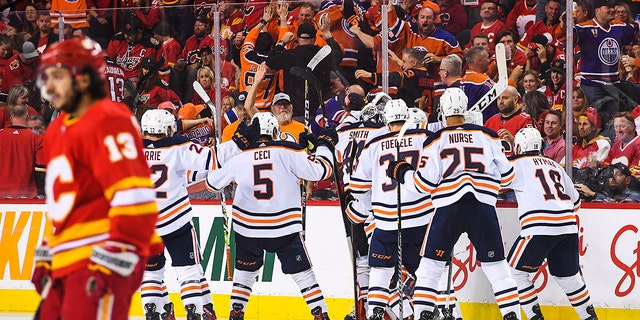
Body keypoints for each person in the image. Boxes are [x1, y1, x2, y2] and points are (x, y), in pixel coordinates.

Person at [32, 38, 162, 320]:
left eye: (57, 77)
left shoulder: (108, 119)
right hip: (67, 256)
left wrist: (113, 258)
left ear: (82, 78)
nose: (49, 87)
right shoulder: (56, 131)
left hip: (100, 253)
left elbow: (135, 196)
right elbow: (63, 204)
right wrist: (48, 251)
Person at [386, 87, 521, 320]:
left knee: (429, 269)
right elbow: (509, 177)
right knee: (498, 270)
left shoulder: (436, 138)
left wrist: (403, 173)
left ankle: (423, 315)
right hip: (483, 208)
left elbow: (423, 185)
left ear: (442, 111)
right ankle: (513, 316)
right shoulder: (488, 135)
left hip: (448, 207)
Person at [204, 112, 338, 320]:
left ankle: (236, 311)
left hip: (248, 228)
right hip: (284, 227)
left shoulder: (240, 156)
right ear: (276, 132)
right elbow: (322, 171)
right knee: (303, 274)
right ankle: (320, 314)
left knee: (245, 273)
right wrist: (323, 146)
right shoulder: (288, 151)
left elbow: (211, 184)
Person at [140, 109, 259, 320]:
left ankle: (151, 311)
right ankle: (195, 311)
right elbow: (213, 159)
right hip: (176, 222)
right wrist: (238, 142)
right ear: (166, 129)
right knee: (188, 271)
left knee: (151, 273)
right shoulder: (177, 147)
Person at [347, 99, 434, 320]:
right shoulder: (423, 138)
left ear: (386, 120)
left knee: (380, 271)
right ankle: (436, 312)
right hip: (420, 219)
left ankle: (375, 311)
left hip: (385, 221)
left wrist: (367, 207)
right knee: (427, 272)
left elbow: (357, 186)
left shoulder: (373, 144)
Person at [507, 127, 599, 320]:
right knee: (569, 279)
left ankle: (535, 317)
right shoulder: (555, 165)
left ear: (519, 146)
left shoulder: (515, 163)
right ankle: (590, 318)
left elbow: (493, 184)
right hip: (567, 225)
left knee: (514, 273)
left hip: (539, 225)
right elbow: (575, 201)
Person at [0, 103, 44, 199]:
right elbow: (40, 169)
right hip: (27, 195)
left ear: (11, 117)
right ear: (27, 117)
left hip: (1, 195)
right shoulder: (37, 138)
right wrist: (41, 193)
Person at [484, 86, 536, 156]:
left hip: (517, 164)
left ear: (515, 100)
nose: (501, 101)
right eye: (498, 98)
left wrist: (514, 140)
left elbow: (533, 150)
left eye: (505, 98)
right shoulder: (491, 121)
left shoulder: (526, 120)